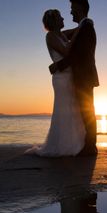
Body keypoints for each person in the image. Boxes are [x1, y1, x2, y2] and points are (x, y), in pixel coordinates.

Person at [26, 9, 86, 157]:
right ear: (54, 21)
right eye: (60, 17)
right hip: (61, 78)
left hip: (69, 75)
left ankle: (75, 143)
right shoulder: (51, 36)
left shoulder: (61, 34)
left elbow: (77, 30)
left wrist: (85, 23)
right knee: (64, 109)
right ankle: (62, 146)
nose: (63, 18)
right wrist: (77, 36)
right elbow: (66, 51)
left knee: (73, 109)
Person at [49, 0, 99, 156]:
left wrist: (58, 65)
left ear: (79, 8)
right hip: (80, 75)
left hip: (84, 75)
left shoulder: (85, 28)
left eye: (72, 8)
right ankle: (87, 144)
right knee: (84, 111)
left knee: (88, 111)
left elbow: (78, 54)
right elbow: (59, 36)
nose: (70, 12)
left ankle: (90, 147)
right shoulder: (83, 26)